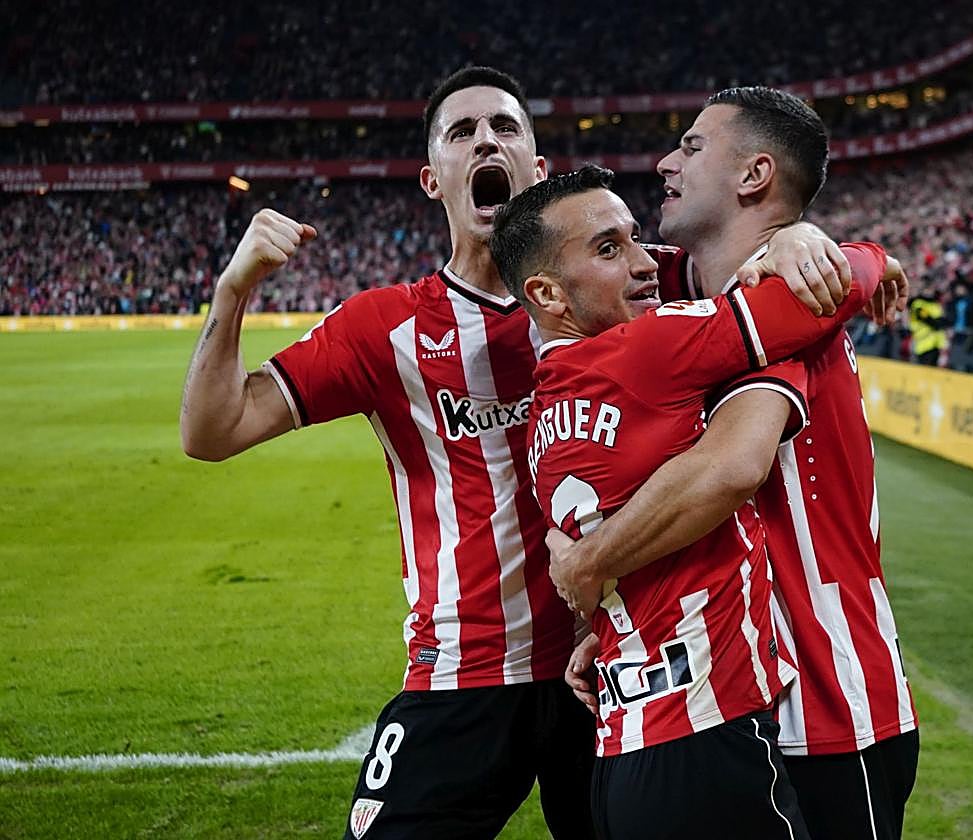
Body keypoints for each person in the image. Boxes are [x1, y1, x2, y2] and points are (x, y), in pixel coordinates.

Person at [179, 66, 862, 840]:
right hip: (464, 674)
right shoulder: (383, 328)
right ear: (434, 179)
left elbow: (762, 258)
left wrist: (802, 235)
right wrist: (235, 287)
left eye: (505, 128)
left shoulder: (630, 283)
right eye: (462, 133)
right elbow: (212, 431)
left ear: (537, 171)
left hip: (608, 671)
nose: (485, 141)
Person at [549, 88, 919, 840]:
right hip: (724, 698)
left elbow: (729, 470)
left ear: (754, 177)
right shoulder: (704, 305)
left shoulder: (791, 310)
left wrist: (590, 562)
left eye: (690, 146)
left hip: (828, 704)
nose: (665, 162)